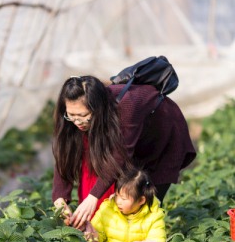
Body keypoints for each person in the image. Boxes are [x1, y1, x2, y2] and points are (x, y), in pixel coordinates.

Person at [52, 75, 196, 229]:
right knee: (118, 199)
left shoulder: (127, 106)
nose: (77, 122)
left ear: (97, 108)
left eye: (83, 116)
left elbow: (120, 155)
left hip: (162, 139)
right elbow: (65, 151)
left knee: (141, 201)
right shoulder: (71, 117)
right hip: (131, 137)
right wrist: (60, 197)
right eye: (71, 115)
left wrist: (93, 197)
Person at [84, 167, 166, 242]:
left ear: (141, 200)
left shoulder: (154, 214)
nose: (118, 202)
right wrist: (94, 237)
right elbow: (98, 229)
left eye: (123, 198)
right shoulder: (108, 207)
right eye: (117, 196)